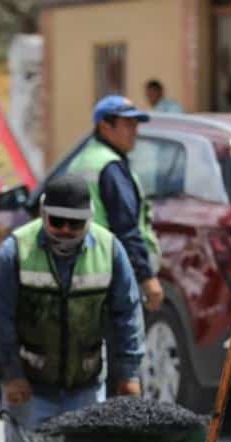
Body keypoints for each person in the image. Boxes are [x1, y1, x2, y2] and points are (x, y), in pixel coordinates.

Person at [0, 175, 145, 442]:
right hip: (30, 377)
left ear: (89, 219)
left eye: (75, 224)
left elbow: (127, 314)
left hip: (85, 378)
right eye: (57, 222)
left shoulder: (109, 250)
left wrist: (127, 373)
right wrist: (11, 374)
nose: (66, 231)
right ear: (43, 215)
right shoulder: (17, 250)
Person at [68, 95, 164, 313]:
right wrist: (147, 278)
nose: (135, 131)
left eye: (136, 124)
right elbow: (126, 228)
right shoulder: (110, 167)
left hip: (82, 272)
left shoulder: (80, 161)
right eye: (128, 124)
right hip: (111, 275)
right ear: (105, 126)